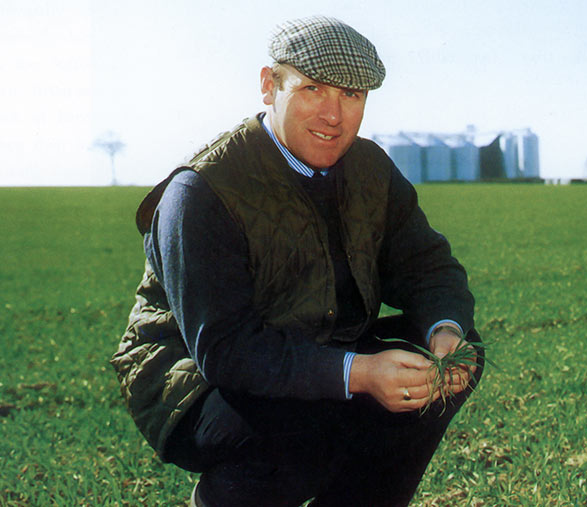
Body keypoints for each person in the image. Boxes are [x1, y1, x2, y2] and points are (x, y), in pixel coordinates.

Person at [110, 16, 483, 507]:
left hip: (318, 346)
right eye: (312, 89)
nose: (334, 115)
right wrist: (361, 374)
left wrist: (445, 334)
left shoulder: (370, 168)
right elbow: (226, 350)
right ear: (269, 86)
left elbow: (426, 266)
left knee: (444, 365)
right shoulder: (202, 191)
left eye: (352, 95)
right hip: (193, 380)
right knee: (311, 422)